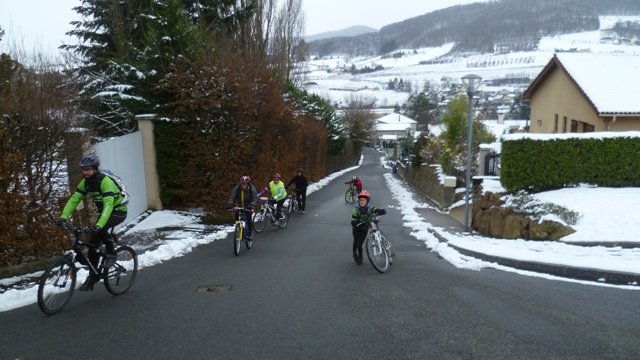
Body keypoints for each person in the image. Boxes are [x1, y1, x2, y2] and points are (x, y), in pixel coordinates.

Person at [57, 155, 128, 291]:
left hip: (118, 211)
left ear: (95, 169)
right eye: (84, 170)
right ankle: (93, 277)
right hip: (105, 212)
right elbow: (74, 200)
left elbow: (108, 205)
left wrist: (99, 225)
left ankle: (112, 253)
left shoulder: (105, 182)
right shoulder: (85, 183)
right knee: (92, 245)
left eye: (88, 169)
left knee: (101, 229)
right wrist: (63, 217)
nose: (85, 172)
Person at [350, 190, 386, 265]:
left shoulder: (369, 207)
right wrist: (356, 223)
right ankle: (354, 254)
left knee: (359, 244)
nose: (362, 201)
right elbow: (353, 221)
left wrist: (380, 211)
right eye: (360, 200)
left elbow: (374, 210)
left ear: (367, 201)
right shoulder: (355, 209)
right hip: (356, 228)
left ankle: (360, 257)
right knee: (355, 243)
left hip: (364, 228)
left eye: (364, 200)